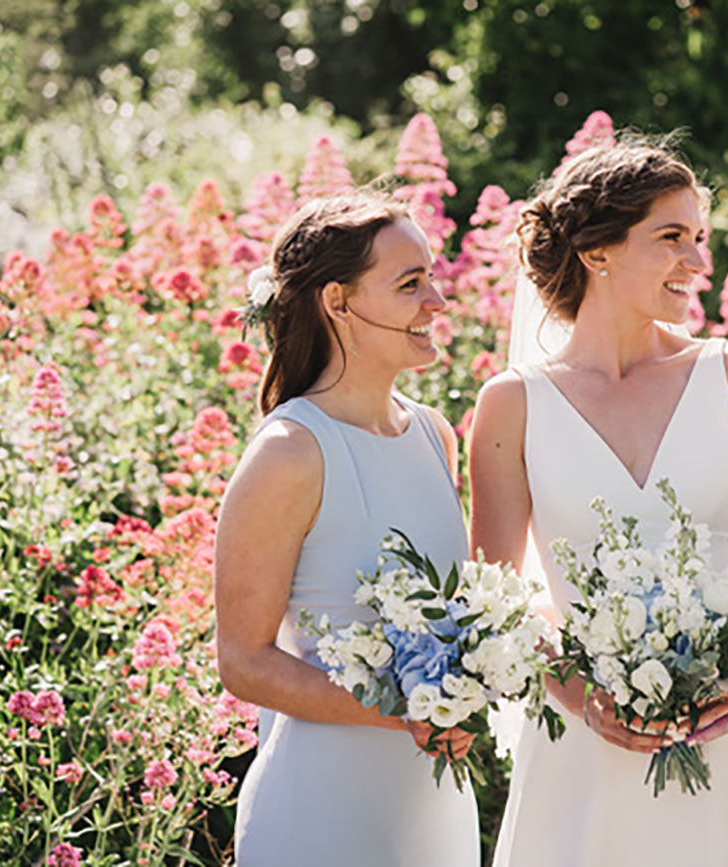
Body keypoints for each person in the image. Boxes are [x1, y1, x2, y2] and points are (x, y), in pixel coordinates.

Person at [469, 139, 728, 867]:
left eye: (700, 239)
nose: (696, 262)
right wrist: (581, 692)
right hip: (579, 746)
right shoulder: (512, 404)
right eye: (671, 239)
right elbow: (494, 598)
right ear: (597, 252)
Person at [214, 193, 480, 866]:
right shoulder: (290, 452)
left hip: (434, 801)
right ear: (338, 302)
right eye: (410, 284)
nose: (438, 302)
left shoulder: (433, 435)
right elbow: (243, 661)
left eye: (433, 278)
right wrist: (403, 710)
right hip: (322, 807)